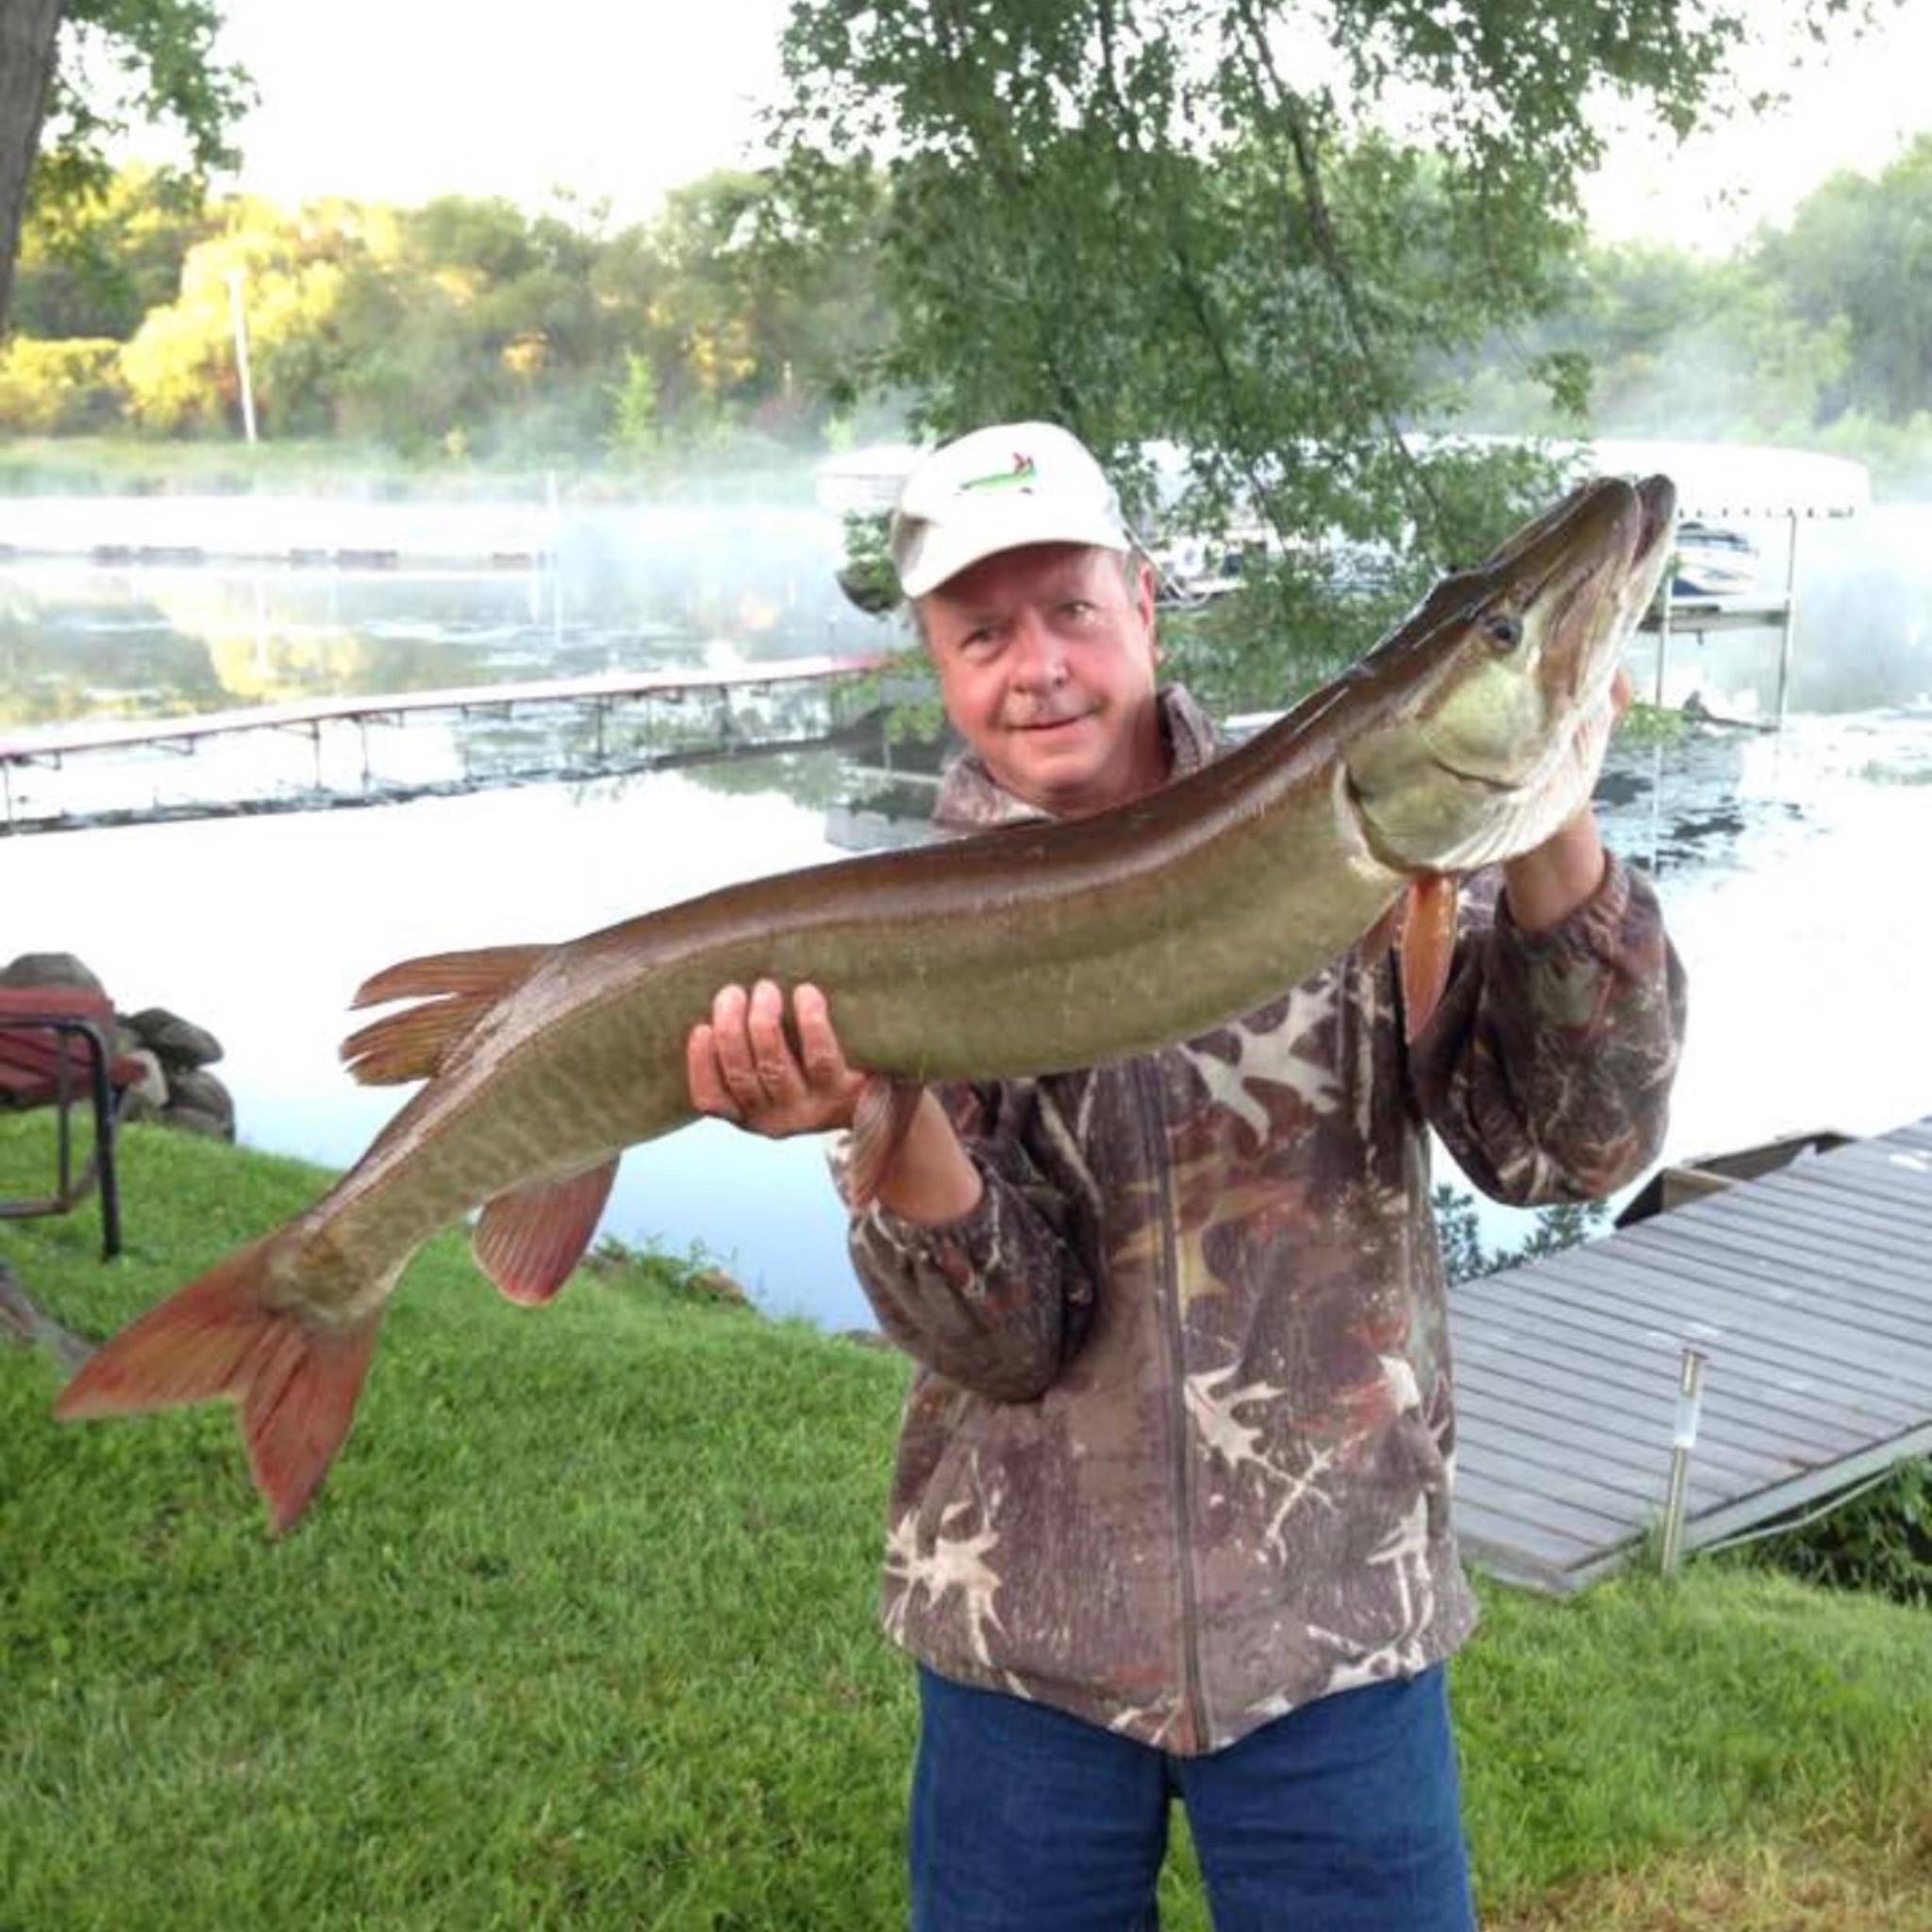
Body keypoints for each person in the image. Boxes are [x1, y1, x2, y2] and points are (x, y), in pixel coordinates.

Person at [685, 422, 1686, 1931]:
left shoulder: (1367, 828)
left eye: (1071, 609)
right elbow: (1004, 1340)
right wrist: (891, 1122)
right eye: (983, 633)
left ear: (1145, 603)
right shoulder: (892, 945)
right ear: (939, 667)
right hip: (1021, 1632)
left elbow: (1569, 1149)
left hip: (1337, 1621)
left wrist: (1547, 817)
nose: (1039, 667)